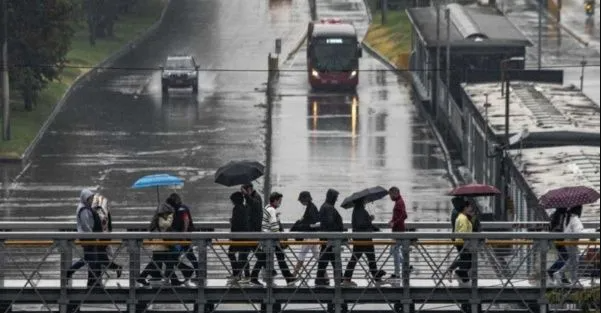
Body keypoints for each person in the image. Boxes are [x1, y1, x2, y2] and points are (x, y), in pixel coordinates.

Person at [67, 193, 123, 281]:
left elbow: (92, 225)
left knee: (93, 258)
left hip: (95, 239)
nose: (92, 200)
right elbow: (103, 225)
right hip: (95, 239)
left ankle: (87, 278)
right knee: (97, 258)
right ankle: (93, 279)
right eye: (91, 198)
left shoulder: (92, 210)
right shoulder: (94, 210)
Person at [249, 192, 299, 287]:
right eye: (279, 201)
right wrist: (281, 238)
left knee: (274, 258)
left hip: (268, 238)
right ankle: (254, 278)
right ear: (275, 200)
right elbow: (274, 227)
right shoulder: (272, 210)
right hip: (271, 239)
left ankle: (287, 278)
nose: (280, 203)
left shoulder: (268, 207)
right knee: (275, 258)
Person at [137, 201, 183, 286]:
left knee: (161, 263)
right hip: (159, 246)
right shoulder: (161, 219)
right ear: (164, 213)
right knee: (163, 263)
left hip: (160, 245)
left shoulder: (159, 218)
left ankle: (174, 280)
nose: (168, 214)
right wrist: (170, 217)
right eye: (168, 213)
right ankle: (141, 277)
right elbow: (167, 225)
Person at [342, 199, 386, 287]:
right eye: (364, 201)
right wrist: (370, 219)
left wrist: (375, 228)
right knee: (357, 258)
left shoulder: (359, 210)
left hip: (363, 239)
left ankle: (376, 277)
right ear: (361, 202)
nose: (366, 202)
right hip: (362, 240)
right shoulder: (359, 211)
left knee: (369, 258)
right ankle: (347, 279)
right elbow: (361, 224)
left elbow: (365, 224)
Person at [69, 189, 103, 287]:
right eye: (90, 198)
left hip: (88, 237)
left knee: (90, 258)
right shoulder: (84, 210)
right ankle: (93, 281)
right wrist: (93, 236)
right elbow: (86, 225)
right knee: (91, 258)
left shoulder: (85, 207)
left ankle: (92, 281)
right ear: (85, 199)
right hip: (87, 238)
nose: (92, 200)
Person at [315, 188, 344, 286]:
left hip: (327, 238)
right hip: (331, 239)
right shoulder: (329, 208)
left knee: (326, 260)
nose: (336, 200)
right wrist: (340, 229)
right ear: (332, 197)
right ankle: (339, 280)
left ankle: (320, 278)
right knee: (333, 260)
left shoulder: (324, 206)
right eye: (336, 198)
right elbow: (330, 223)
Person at [168, 193, 198, 283]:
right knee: (189, 255)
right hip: (180, 236)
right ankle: (190, 273)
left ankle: (186, 273)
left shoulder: (182, 208)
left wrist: (184, 235)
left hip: (183, 237)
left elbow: (186, 220)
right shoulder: (178, 208)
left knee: (176, 256)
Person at [292, 191, 322, 278]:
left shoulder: (311, 209)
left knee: (301, 256)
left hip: (309, 237)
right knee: (317, 256)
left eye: (301, 200)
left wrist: (302, 225)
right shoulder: (311, 207)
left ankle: (293, 276)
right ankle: (325, 276)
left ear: (305, 199)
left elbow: (312, 223)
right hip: (313, 237)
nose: (300, 202)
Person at [445, 199, 474, 286]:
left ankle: (462, 276)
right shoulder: (463, 218)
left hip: (462, 243)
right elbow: (463, 232)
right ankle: (454, 271)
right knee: (466, 260)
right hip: (462, 243)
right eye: (469, 207)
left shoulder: (463, 216)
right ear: (465, 208)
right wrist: (466, 242)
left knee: (468, 261)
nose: (471, 208)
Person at [555, 205, 585, 285]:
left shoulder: (568, 218)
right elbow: (577, 231)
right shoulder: (575, 219)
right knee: (574, 261)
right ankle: (560, 273)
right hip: (572, 242)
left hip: (567, 241)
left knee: (573, 260)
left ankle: (572, 279)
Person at [227, 191, 251, 284]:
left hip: (238, 237)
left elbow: (237, 223)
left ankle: (237, 274)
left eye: (232, 200)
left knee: (232, 254)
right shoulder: (245, 208)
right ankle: (242, 274)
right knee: (243, 256)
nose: (231, 202)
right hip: (244, 235)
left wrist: (232, 222)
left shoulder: (236, 209)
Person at [387, 186, 407, 280]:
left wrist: (394, 223)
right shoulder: (399, 202)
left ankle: (397, 273)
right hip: (398, 230)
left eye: (390, 195)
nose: (390, 197)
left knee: (393, 251)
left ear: (395, 193)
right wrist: (392, 220)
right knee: (393, 251)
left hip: (398, 231)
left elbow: (403, 216)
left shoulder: (399, 203)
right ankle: (406, 266)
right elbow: (402, 215)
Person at [547, 207, 570, 285]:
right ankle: (552, 271)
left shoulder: (556, 214)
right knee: (565, 257)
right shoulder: (561, 215)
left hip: (556, 239)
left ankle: (562, 277)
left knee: (563, 257)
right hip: (560, 239)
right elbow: (560, 227)